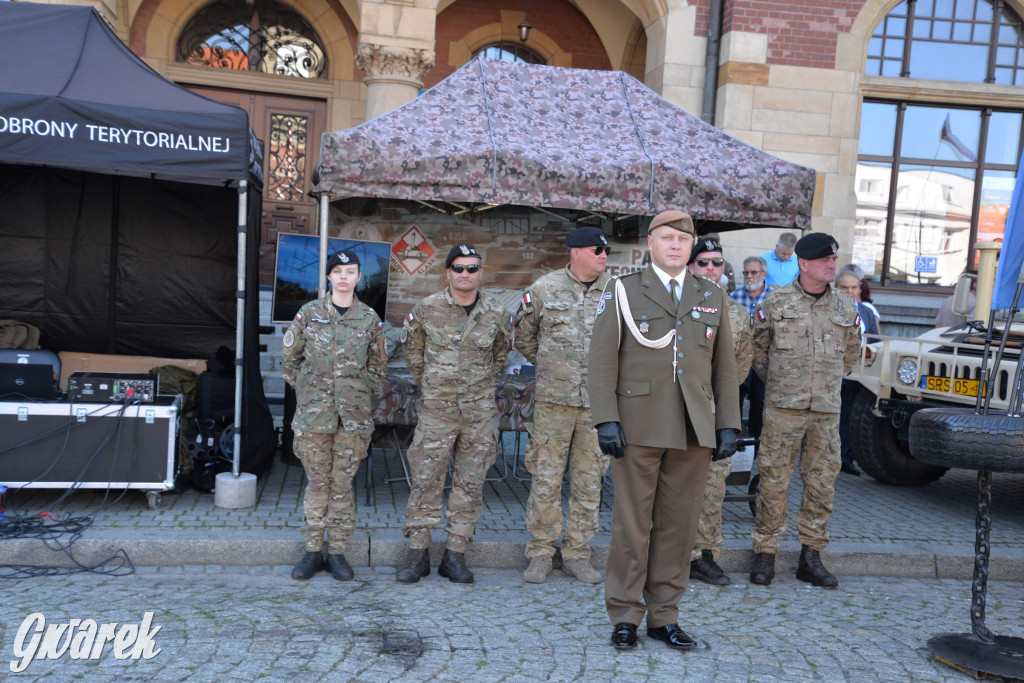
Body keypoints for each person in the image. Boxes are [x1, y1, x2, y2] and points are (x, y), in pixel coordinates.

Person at [588, 210, 740, 650]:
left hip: (694, 428)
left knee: (679, 528)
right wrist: (606, 418)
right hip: (637, 425)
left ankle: (664, 616)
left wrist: (728, 423)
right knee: (632, 526)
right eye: (667, 238)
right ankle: (624, 614)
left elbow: (724, 367)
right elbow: (602, 359)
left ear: (692, 246)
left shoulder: (710, 293)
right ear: (650, 243)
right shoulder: (623, 290)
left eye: (683, 239)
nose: (675, 245)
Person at [396, 243, 513, 585]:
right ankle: (418, 553)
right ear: (447, 272)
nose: (466, 274)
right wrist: (436, 386)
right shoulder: (427, 309)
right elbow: (414, 356)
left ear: (481, 273)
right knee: (425, 479)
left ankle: (456, 555)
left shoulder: (496, 313)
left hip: (479, 413)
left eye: (472, 268)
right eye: (459, 268)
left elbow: (500, 354)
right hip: (437, 411)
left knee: (470, 483)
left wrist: (475, 386)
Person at [749, 233, 861, 589]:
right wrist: (787, 385)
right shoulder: (776, 301)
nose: (832, 265)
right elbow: (758, 352)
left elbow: (851, 355)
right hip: (784, 409)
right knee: (773, 483)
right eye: (826, 260)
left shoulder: (845, 306)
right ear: (805, 264)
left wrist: (821, 385)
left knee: (821, 485)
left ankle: (810, 558)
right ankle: (765, 553)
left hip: (826, 412)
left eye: (834, 259)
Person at [281, 249, 388, 581]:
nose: (344, 276)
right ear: (329, 276)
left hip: (352, 419)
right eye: (337, 271)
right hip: (314, 418)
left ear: (358, 277)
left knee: (341, 485)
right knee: (317, 483)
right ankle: (313, 551)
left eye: (350, 271)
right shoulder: (309, 314)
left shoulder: (369, 318)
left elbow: (377, 367)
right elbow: (290, 361)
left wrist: (355, 391)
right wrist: (311, 390)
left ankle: (338, 551)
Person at [516, 226, 612, 585]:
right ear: (575, 253)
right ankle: (541, 552)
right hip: (554, 402)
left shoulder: (617, 293)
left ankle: (577, 554)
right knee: (545, 479)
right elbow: (524, 337)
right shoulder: (543, 289)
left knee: (590, 481)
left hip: (598, 406)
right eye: (596, 249)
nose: (603, 255)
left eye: (606, 251)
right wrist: (555, 366)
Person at [686, 236, 753, 587]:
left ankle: (704, 555)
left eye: (717, 263)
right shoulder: (675, 305)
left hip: (715, 414)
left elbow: (740, 366)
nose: (712, 269)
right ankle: (668, 554)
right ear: (689, 266)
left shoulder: (737, 313)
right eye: (703, 263)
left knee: (712, 487)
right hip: (676, 411)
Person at [836, 270, 881, 477]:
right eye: (845, 287)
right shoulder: (830, 310)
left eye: (854, 287)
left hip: (862, 374)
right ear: (836, 288)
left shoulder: (867, 312)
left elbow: (875, 342)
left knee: (853, 418)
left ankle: (847, 459)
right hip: (835, 373)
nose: (850, 291)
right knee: (836, 418)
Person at [731, 255, 771, 454]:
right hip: (739, 358)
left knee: (760, 402)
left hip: (763, 360)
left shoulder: (775, 299)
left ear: (764, 274)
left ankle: (756, 446)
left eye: (753, 272)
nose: (749, 276)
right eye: (745, 272)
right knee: (735, 399)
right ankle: (734, 443)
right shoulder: (734, 297)